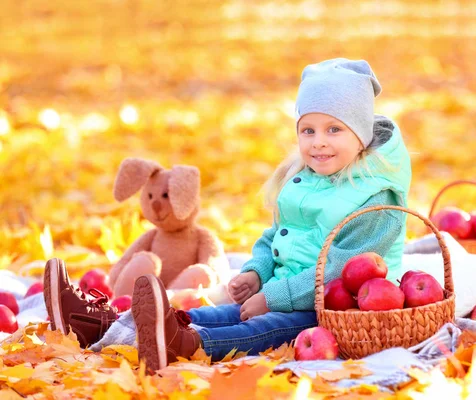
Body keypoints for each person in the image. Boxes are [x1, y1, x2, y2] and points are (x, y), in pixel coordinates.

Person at [43, 58, 412, 371]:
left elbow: (338, 271)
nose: (318, 141)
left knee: (263, 327)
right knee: (220, 313)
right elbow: (276, 238)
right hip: (283, 289)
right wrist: (256, 272)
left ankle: (185, 345)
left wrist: (273, 297)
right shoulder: (309, 179)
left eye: (334, 129)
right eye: (308, 130)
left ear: (361, 135)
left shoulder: (376, 201)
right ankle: (103, 325)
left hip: (338, 309)